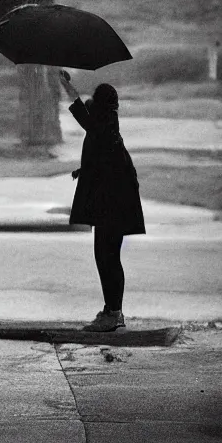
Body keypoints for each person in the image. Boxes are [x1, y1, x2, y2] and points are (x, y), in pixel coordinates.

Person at [59, 70, 145, 332]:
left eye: (94, 101)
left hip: (114, 205)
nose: (90, 105)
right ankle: (111, 310)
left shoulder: (103, 125)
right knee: (106, 256)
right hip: (113, 202)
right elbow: (84, 116)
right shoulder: (105, 124)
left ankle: (114, 312)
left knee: (107, 256)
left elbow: (82, 114)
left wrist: (67, 86)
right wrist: (66, 85)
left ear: (101, 105)